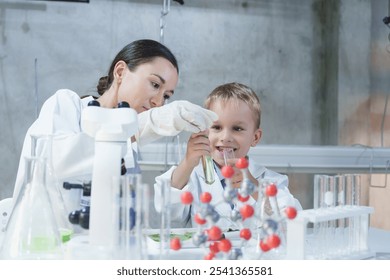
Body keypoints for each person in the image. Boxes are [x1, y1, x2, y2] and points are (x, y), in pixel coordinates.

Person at [12, 39, 217, 209]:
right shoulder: (68, 105)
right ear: (120, 72)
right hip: (45, 247)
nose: (158, 102)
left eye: (166, 96)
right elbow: (55, 162)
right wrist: (144, 124)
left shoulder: (130, 145)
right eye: (155, 84)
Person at [154, 82, 302, 229]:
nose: (225, 137)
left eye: (237, 128)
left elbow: (290, 222)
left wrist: (255, 189)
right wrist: (187, 163)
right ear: (205, 131)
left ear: (255, 138)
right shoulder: (193, 177)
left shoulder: (269, 181)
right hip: (207, 251)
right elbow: (166, 212)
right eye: (217, 127)